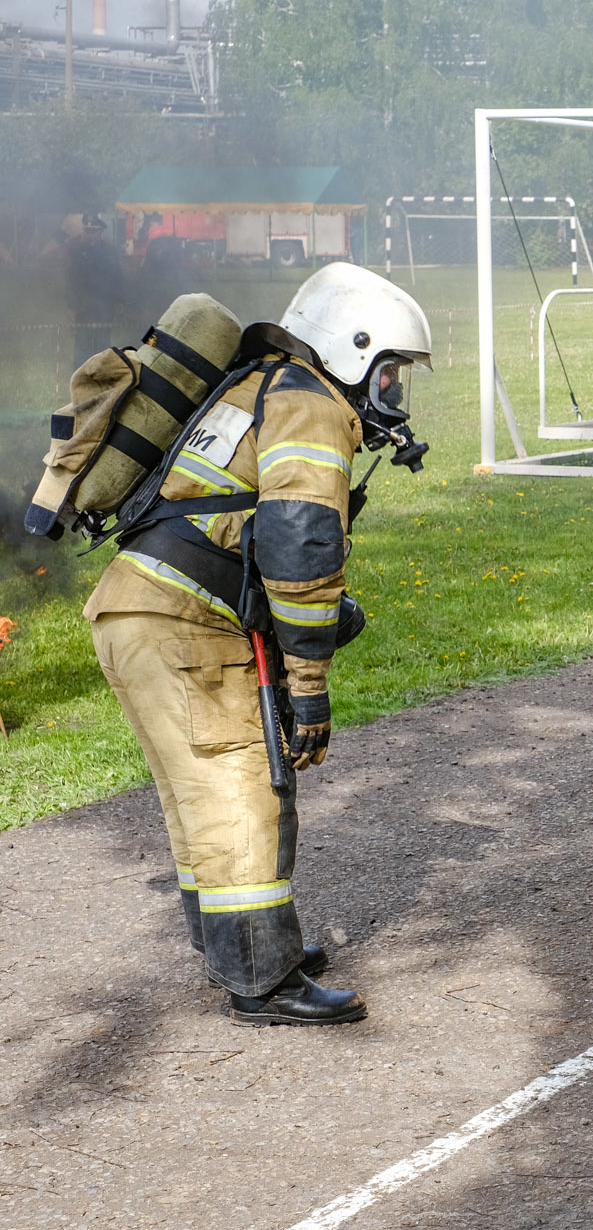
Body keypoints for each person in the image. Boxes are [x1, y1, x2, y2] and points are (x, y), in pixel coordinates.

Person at [86, 262, 432, 1024]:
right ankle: (262, 979)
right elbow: (301, 546)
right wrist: (309, 686)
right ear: (351, 350)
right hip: (180, 620)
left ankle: (241, 945)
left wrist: (323, 620)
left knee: (201, 791)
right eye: (389, 376)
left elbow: (248, 536)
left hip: (139, 610)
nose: (393, 397)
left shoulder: (260, 386)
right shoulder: (310, 404)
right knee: (244, 785)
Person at [64, 213, 124, 368]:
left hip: (105, 303)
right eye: (87, 230)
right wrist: (71, 306)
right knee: (82, 340)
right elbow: (71, 280)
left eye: (94, 230)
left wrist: (119, 301)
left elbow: (117, 278)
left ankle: (101, 370)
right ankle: (79, 372)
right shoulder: (77, 252)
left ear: (101, 231)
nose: (90, 234)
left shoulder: (110, 251)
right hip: (83, 303)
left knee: (102, 340)